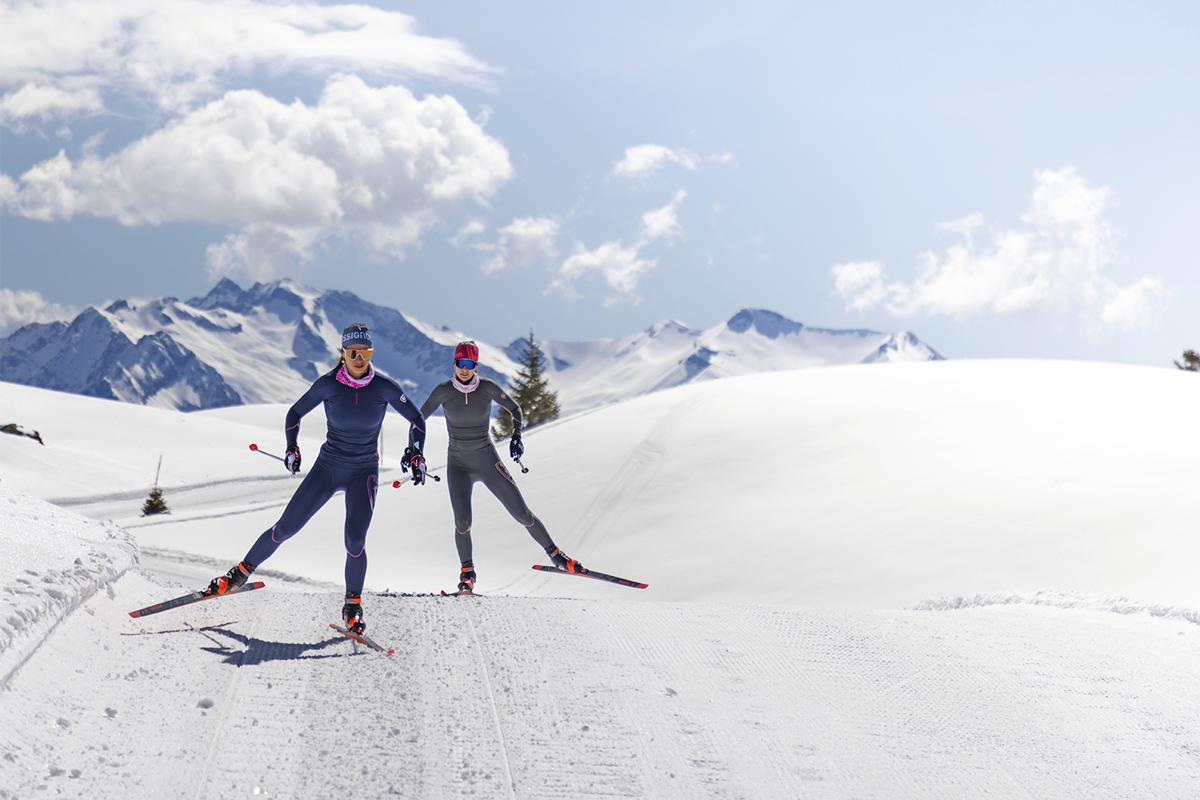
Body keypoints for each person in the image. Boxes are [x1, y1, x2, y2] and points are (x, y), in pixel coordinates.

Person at [206, 323, 427, 634]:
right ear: (343, 353)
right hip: (329, 467)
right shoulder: (328, 385)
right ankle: (238, 575)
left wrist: (416, 452)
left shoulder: (384, 388)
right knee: (285, 528)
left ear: (371, 353)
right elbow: (294, 414)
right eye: (353, 353)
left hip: (363, 472)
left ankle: (353, 607)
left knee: (355, 541)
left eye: (365, 353)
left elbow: (417, 419)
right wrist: (292, 447)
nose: (359, 359)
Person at [412, 341, 582, 594]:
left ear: (476, 366)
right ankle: (467, 574)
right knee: (462, 521)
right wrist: (415, 452)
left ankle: (557, 555)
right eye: (461, 364)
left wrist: (516, 437)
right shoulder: (443, 391)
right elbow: (417, 420)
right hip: (458, 464)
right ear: (454, 364)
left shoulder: (487, 388)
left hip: (487, 460)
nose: (465, 369)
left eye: (470, 364)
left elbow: (515, 409)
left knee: (521, 513)